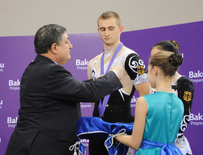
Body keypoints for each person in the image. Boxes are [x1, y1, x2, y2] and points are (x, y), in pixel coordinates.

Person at [5, 24, 124, 155]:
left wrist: (98, 81)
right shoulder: (50, 71)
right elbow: (88, 92)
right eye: (66, 41)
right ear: (54, 47)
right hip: (41, 148)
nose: (71, 46)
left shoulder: (39, 68)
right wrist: (114, 75)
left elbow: (71, 90)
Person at [87, 11, 151, 155]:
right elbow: (94, 97)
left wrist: (138, 128)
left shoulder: (131, 58)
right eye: (102, 29)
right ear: (98, 31)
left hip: (122, 128)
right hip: (97, 128)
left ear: (120, 29)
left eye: (111, 28)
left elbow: (146, 93)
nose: (106, 33)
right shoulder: (93, 62)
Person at [115, 51, 184, 154]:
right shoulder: (179, 103)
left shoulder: (144, 101)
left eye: (148, 70)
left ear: (155, 70)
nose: (147, 75)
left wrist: (114, 134)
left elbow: (135, 143)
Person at [151, 40, 194, 155]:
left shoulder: (184, 83)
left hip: (174, 147)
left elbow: (183, 118)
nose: (151, 63)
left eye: (156, 57)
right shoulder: (150, 82)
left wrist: (161, 139)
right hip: (152, 145)